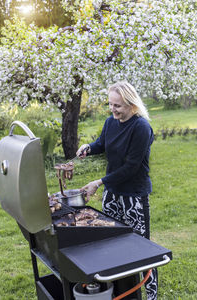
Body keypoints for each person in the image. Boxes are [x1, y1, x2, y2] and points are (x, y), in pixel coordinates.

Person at [76, 81, 157, 300]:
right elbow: (102, 143)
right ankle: (122, 288)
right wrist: (89, 148)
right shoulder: (110, 122)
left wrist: (98, 182)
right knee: (111, 242)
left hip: (134, 195)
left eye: (118, 106)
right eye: (111, 104)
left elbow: (131, 168)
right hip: (112, 194)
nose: (113, 109)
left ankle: (151, 294)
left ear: (131, 104)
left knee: (142, 246)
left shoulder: (141, 128)